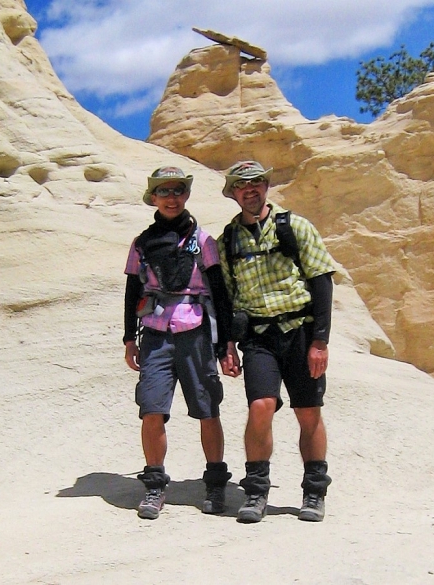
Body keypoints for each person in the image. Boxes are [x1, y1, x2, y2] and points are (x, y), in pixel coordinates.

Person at [217, 160, 337, 523]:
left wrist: (320, 342)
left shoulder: (296, 227)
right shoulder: (229, 240)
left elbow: (321, 282)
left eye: (256, 183)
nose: (249, 190)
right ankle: (255, 491)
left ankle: (314, 492)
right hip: (258, 336)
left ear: (266, 186)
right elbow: (225, 295)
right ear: (234, 193)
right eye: (241, 185)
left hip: (299, 331)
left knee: (308, 411)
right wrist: (225, 344)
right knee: (260, 408)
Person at [122, 166, 234, 520]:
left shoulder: (203, 241)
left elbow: (220, 291)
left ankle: (215, 483)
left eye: (178, 191)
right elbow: (132, 290)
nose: (172, 197)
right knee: (151, 408)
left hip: (196, 330)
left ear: (185, 196)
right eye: (164, 191)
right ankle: (155, 484)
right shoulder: (142, 243)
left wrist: (227, 343)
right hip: (155, 333)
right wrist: (129, 337)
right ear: (153, 198)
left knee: (207, 408)